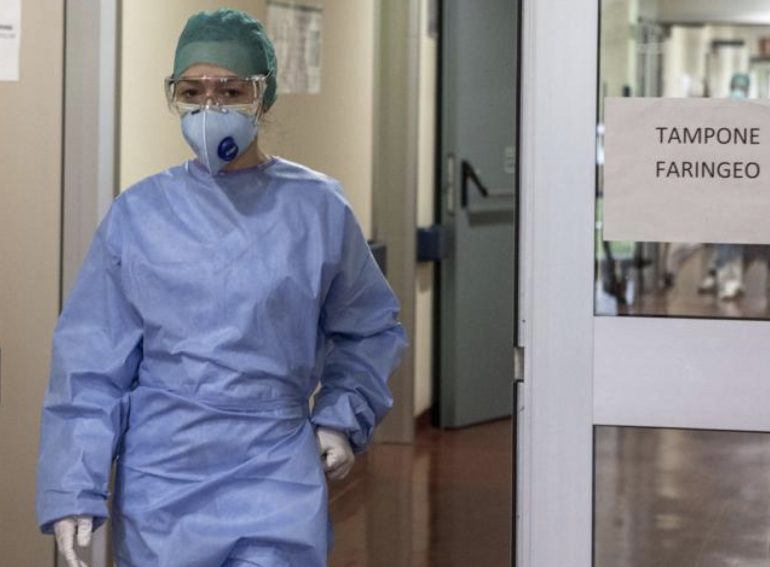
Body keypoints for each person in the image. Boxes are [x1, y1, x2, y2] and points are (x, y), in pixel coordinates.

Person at [36, 9, 406, 567]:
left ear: (263, 96)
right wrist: (72, 486)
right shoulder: (138, 215)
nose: (210, 108)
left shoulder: (318, 209)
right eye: (193, 92)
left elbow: (369, 328)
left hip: (275, 471)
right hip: (164, 480)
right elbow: (89, 367)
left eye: (231, 91)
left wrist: (341, 417)